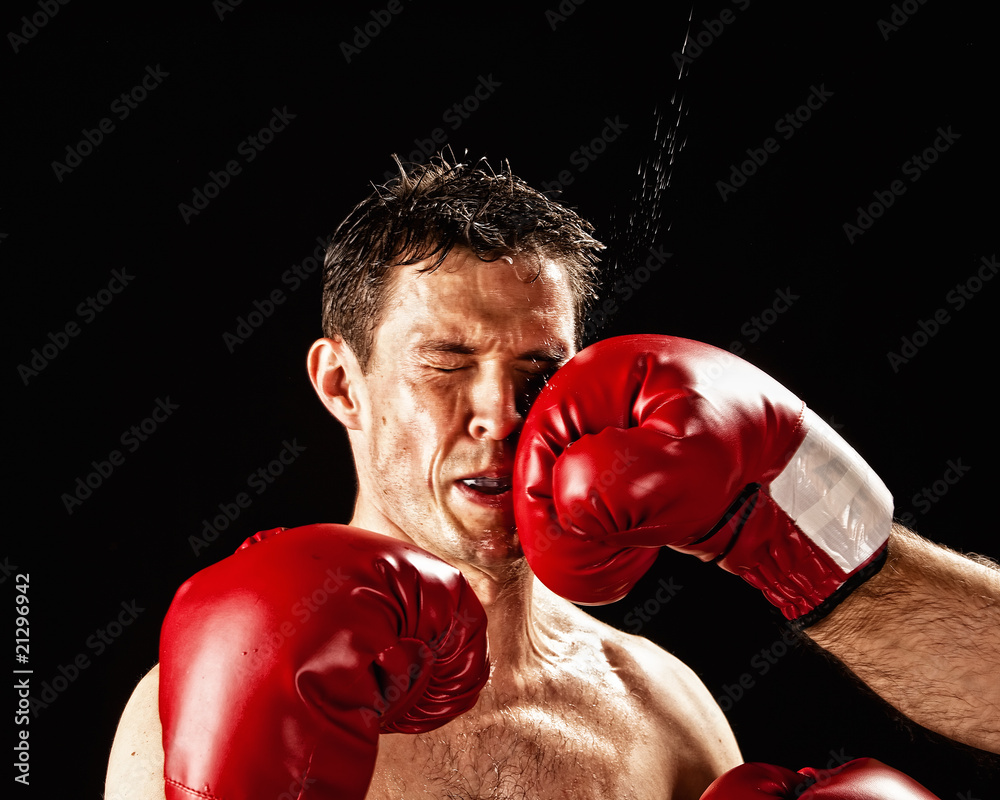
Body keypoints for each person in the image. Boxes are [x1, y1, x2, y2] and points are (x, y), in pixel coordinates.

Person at [104, 153, 995, 800]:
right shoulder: (207, 703)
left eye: (539, 372)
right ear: (342, 384)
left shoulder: (662, 707)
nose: (501, 414)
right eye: (446, 362)